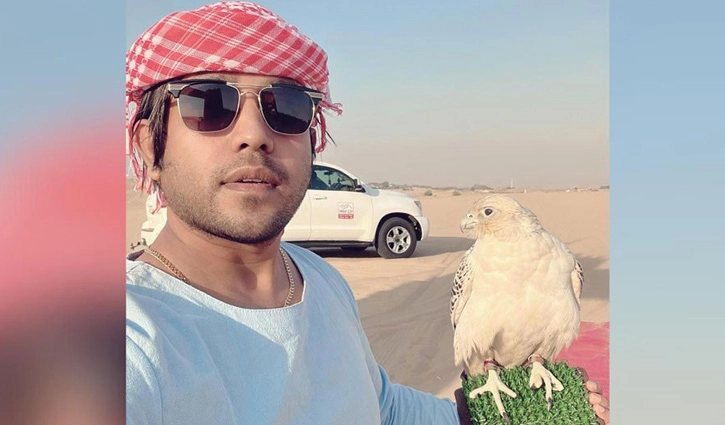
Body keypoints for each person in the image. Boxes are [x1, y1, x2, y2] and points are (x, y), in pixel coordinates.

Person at [125, 2, 610, 424]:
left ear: (312, 139)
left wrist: (476, 416)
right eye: (209, 103)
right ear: (150, 145)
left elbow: (380, 409)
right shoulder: (132, 339)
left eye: (286, 107)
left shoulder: (318, 280)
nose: (255, 134)